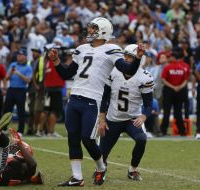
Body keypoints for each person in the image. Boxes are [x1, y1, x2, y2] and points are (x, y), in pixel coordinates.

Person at [48, 17, 146, 186]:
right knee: (73, 137)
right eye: (91, 28)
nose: (90, 31)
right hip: (74, 98)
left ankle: (101, 168)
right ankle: (77, 177)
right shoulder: (81, 48)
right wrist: (56, 61)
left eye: (94, 28)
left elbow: (128, 70)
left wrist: (137, 58)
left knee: (88, 139)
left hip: (92, 100)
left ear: (103, 31)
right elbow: (66, 74)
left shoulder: (112, 49)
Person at [98, 44, 154, 181]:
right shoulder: (113, 72)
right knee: (101, 153)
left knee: (141, 139)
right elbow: (104, 98)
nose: (126, 59)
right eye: (126, 55)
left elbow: (148, 104)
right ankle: (101, 169)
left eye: (130, 56)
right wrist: (102, 119)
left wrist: (144, 116)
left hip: (132, 119)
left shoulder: (145, 77)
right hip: (113, 118)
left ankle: (132, 170)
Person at [3, 47, 33, 135]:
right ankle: (4, 128)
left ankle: (20, 130)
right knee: (7, 111)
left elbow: (28, 80)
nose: (18, 56)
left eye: (20, 55)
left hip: (21, 90)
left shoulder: (28, 68)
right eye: (18, 55)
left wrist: (18, 73)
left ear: (25, 57)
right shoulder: (13, 64)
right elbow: (7, 78)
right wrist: (11, 73)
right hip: (11, 89)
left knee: (21, 111)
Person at [160, 47, 189, 136]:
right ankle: (182, 131)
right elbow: (186, 79)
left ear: (174, 58)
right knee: (178, 112)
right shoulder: (184, 67)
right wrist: (179, 87)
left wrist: (172, 87)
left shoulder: (167, 67)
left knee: (166, 112)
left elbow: (163, 79)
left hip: (169, 91)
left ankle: (163, 131)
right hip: (179, 91)